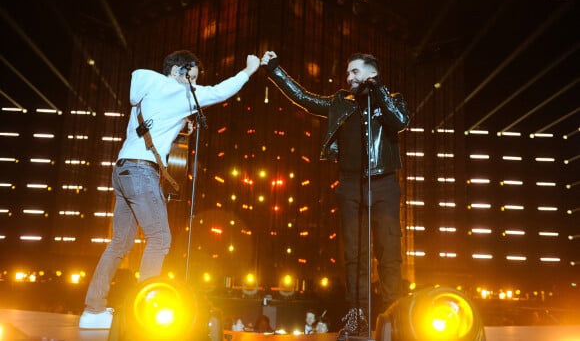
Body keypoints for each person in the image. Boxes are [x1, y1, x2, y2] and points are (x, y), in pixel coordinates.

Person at [79, 50, 260, 329]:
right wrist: (247, 71)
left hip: (123, 170)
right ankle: (144, 312)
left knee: (120, 243)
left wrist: (180, 125)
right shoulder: (177, 91)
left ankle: (93, 311)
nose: (194, 85)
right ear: (177, 71)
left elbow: (158, 124)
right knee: (160, 239)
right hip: (142, 172)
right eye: (192, 78)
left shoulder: (147, 87)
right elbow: (218, 92)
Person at [261, 51, 410, 340]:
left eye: (354, 72)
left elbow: (400, 121)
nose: (348, 77)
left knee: (389, 255)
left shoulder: (391, 99)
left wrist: (378, 89)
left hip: (384, 185)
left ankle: (396, 317)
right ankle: (359, 320)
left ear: (370, 73)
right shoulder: (339, 103)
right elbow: (304, 98)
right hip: (350, 186)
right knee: (355, 257)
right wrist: (276, 71)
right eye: (348, 72)